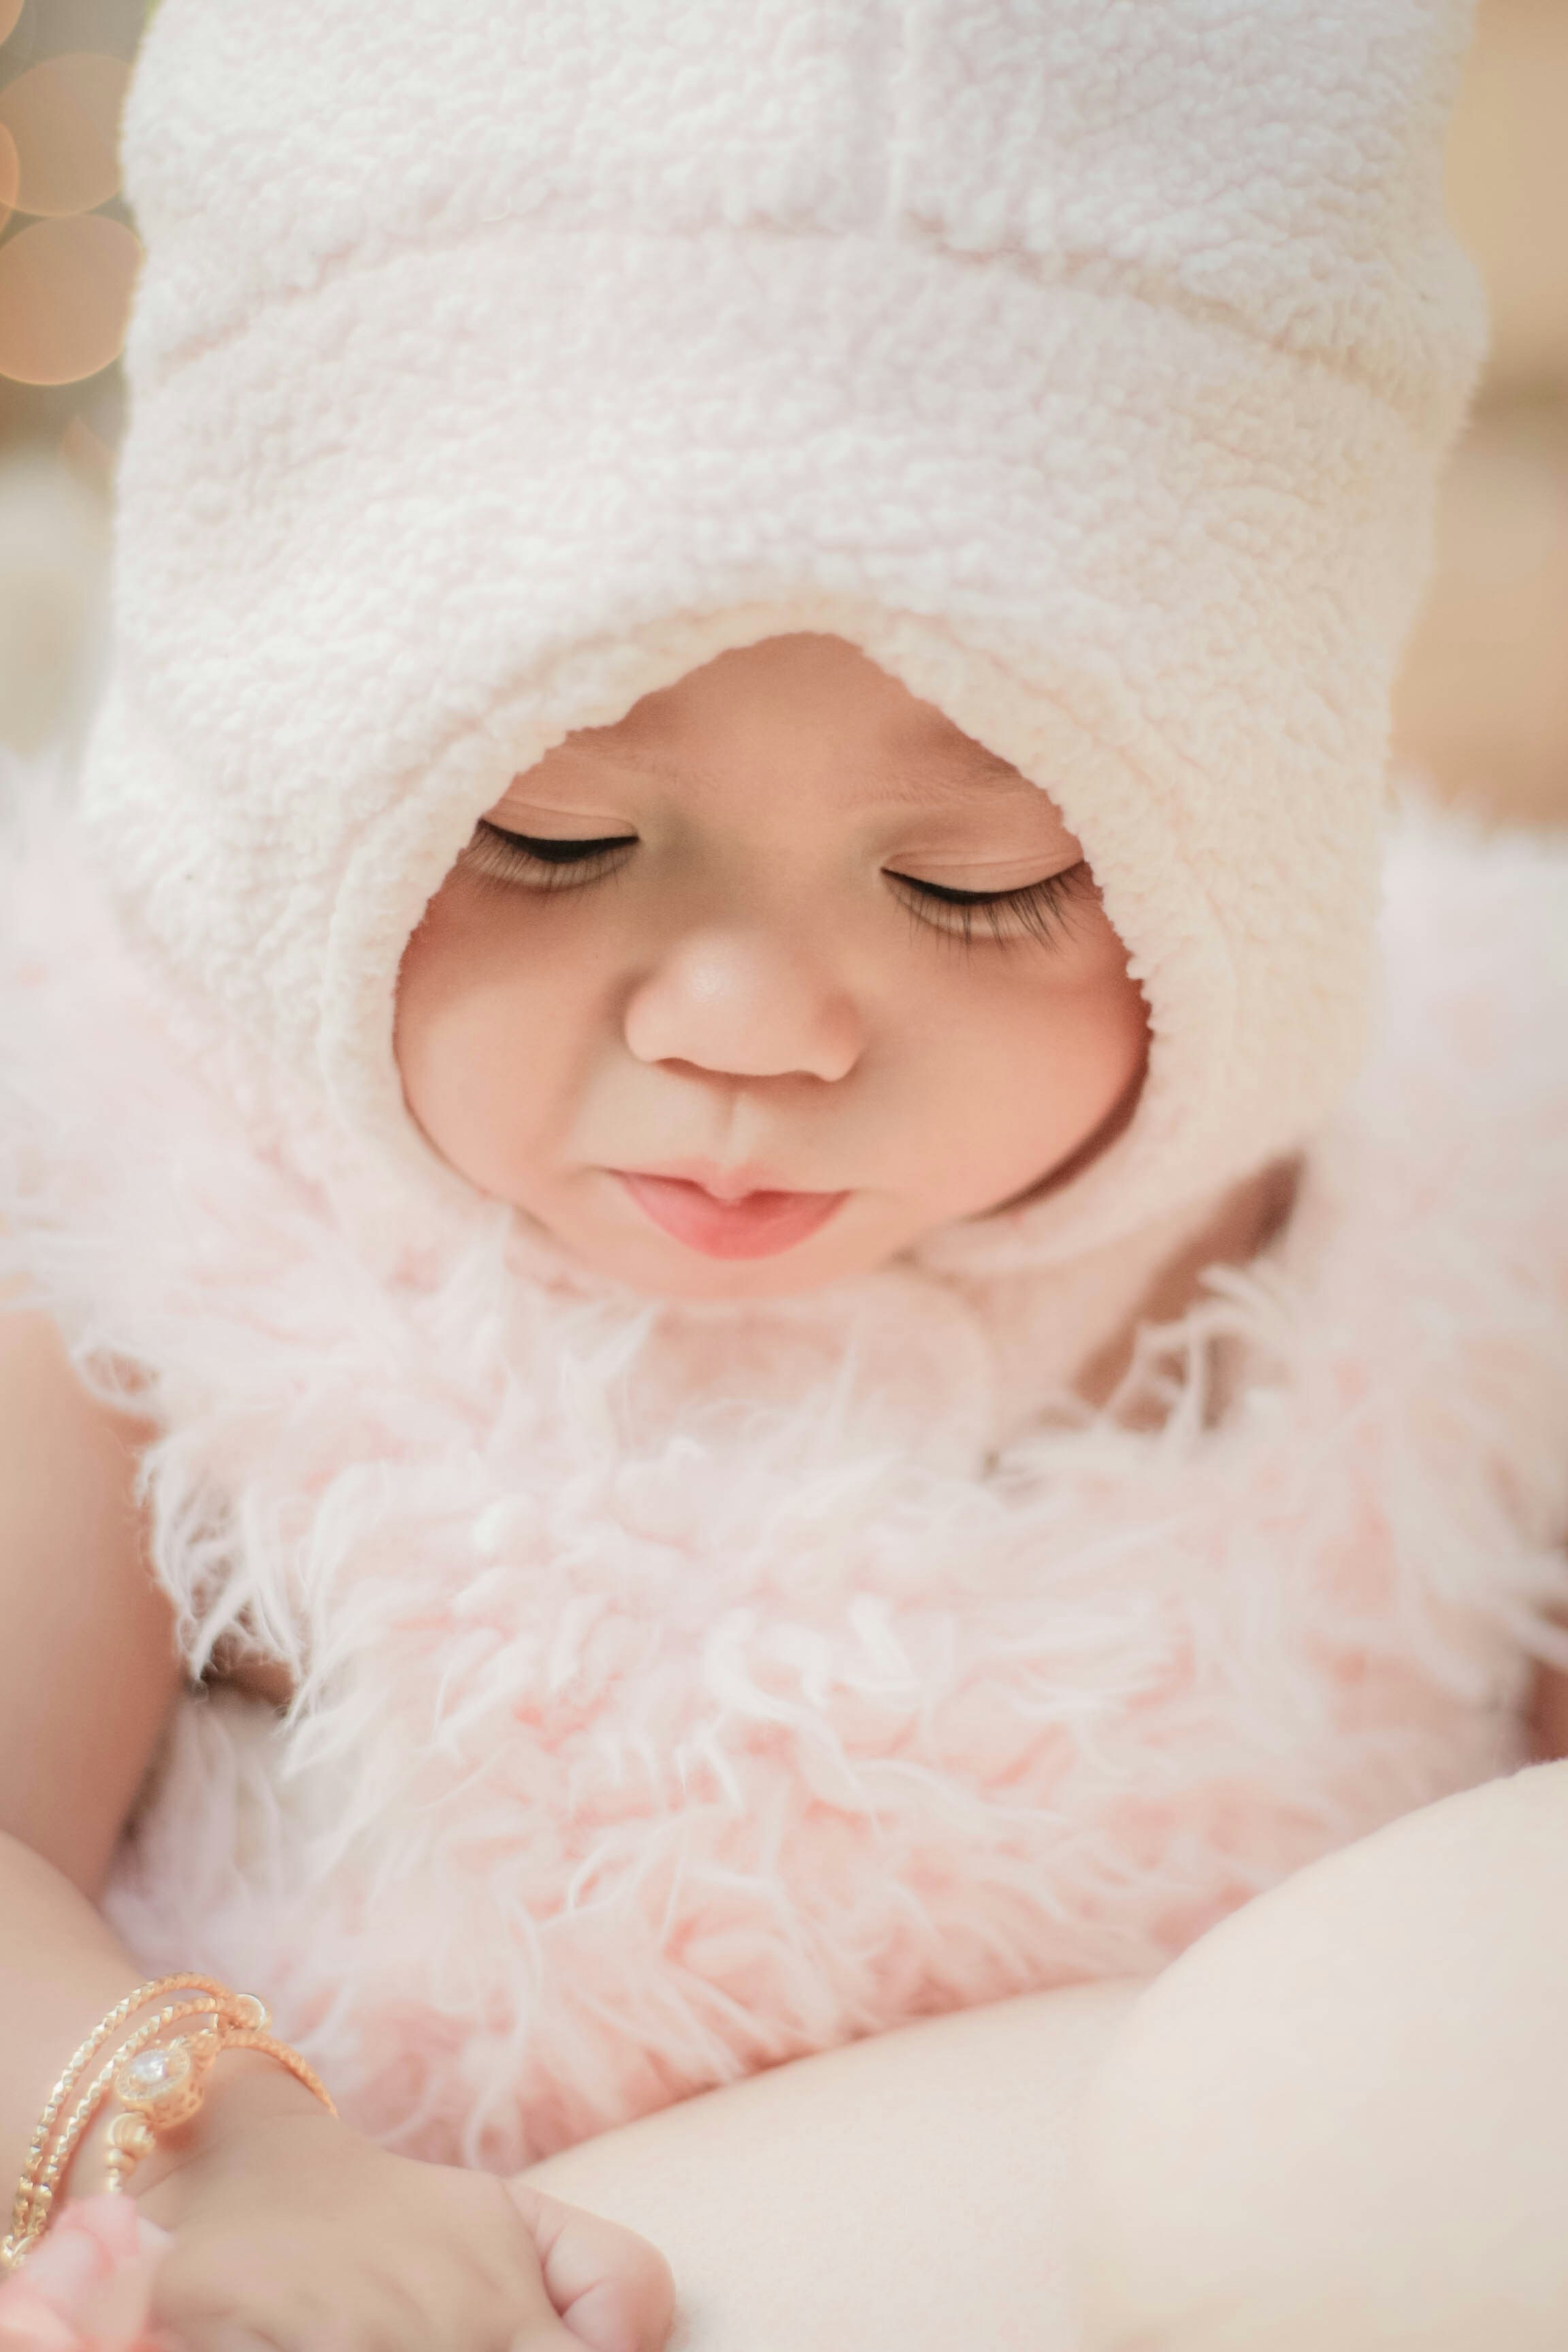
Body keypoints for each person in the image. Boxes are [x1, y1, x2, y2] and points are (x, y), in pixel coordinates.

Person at [1, 1, 1566, 2346]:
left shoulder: (1467, 1203)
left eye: (974, 885)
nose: (747, 1025)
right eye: (550, 838)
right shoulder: (140, 1192)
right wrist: (213, 2157)